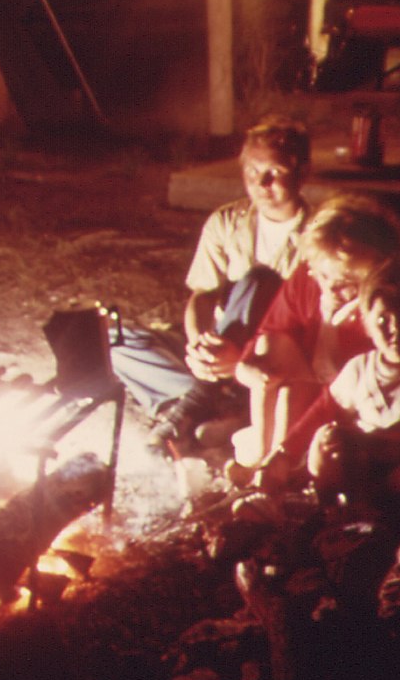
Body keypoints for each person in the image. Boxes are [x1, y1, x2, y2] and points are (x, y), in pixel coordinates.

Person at [109, 117, 312, 453]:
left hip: (266, 360)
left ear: (302, 173)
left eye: (275, 172)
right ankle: (215, 406)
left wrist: (240, 359)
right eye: (252, 171)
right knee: (117, 342)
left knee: (259, 281)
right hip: (219, 355)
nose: (262, 183)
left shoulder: (318, 234)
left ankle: (196, 405)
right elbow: (203, 295)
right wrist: (199, 348)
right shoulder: (227, 222)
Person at [225, 190, 400, 486]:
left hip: (345, 408)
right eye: (322, 276)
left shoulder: (383, 312)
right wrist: (247, 366)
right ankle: (263, 453)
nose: (330, 289)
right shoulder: (309, 280)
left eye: (345, 283)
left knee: (289, 396)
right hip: (306, 383)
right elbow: (270, 331)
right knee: (271, 348)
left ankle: (277, 463)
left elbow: (349, 393)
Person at [303, 256, 400, 528]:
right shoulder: (359, 368)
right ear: (366, 324)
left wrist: (369, 443)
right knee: (324, 442)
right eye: (383, 320)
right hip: (362, 467)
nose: (396, 329)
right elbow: (326, 409)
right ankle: (334, 511)